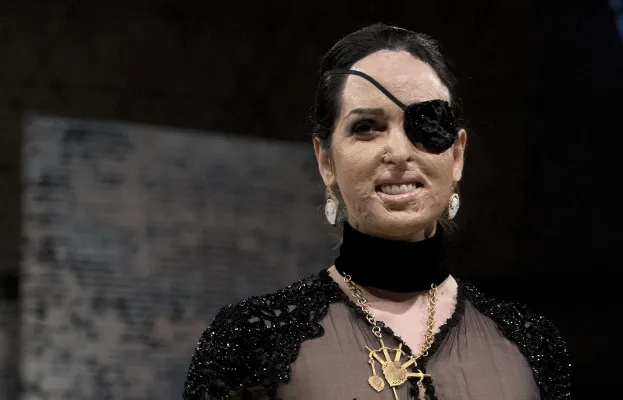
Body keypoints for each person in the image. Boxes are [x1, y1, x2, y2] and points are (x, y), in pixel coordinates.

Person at [182, 23, 571, 400]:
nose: (399, 153)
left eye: (425, 123)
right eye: (367, 127)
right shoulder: (252, 341)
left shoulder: (529, 344)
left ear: (456, 156)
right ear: (326, 161)